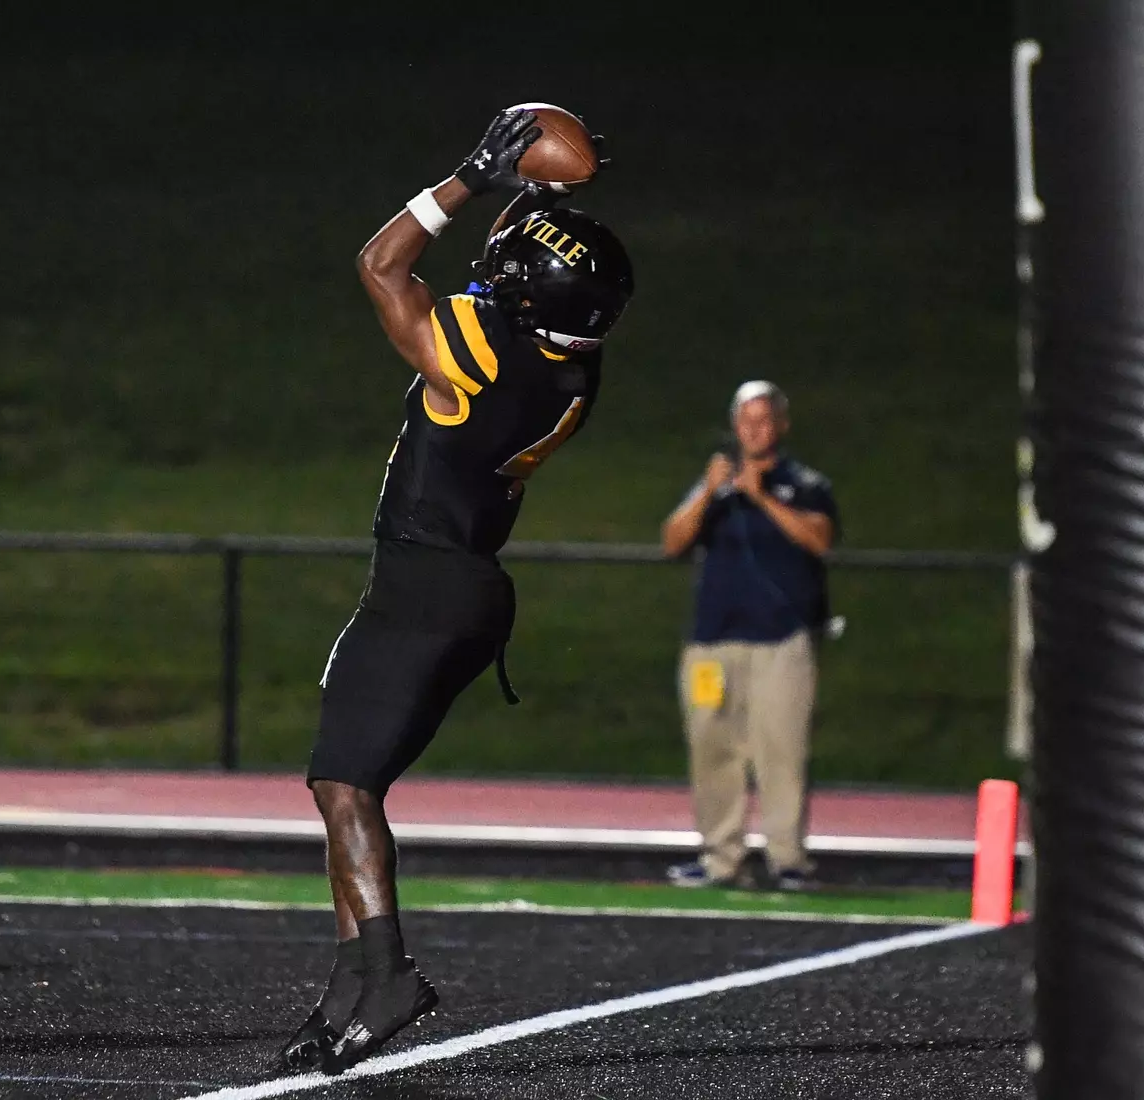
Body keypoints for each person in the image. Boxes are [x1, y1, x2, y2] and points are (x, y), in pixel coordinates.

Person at [275, 107, 634, 1075]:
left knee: (344, 784)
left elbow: (381, 265)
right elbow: (546, 282)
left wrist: (472, 174)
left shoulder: (476, 349)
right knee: (345, 783)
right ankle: (347, 988)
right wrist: (545, 197)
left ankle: (386, 976)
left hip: (420, 583)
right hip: (472, 592)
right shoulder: (572, 375)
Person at [661, 381, 840, 891]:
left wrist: (760, 497)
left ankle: (787, 859)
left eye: (765, 421)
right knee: (711, 750)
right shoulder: (714, 487)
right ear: (734, 426)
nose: (755, 430)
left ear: (782, 426)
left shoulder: (803, 484)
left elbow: (819, 539)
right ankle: (721, 857)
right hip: (711, 642)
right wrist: (705, 490)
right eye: (746, 421)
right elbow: (672, 542)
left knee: (780, 752)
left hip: (780, 642)